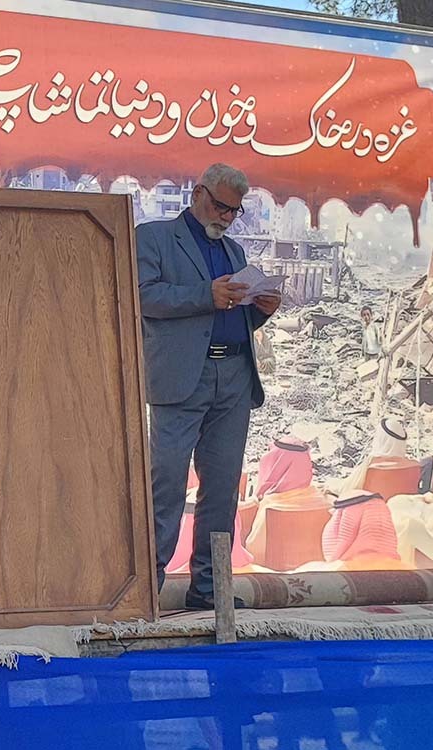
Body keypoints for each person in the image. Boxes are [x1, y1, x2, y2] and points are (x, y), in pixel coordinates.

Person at [136, 163, 279, 610]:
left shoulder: (234, 251)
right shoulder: (154, 237)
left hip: (234, 376)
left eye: (235, 211)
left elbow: (233, 317)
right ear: (198, 194)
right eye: (220, 207)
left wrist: (261, 309)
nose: (227, 218)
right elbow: (141, 295)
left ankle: (210, 588)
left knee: (221, 487)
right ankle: (145, 591)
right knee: (166, 483)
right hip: (182, 378)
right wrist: (205, 294)